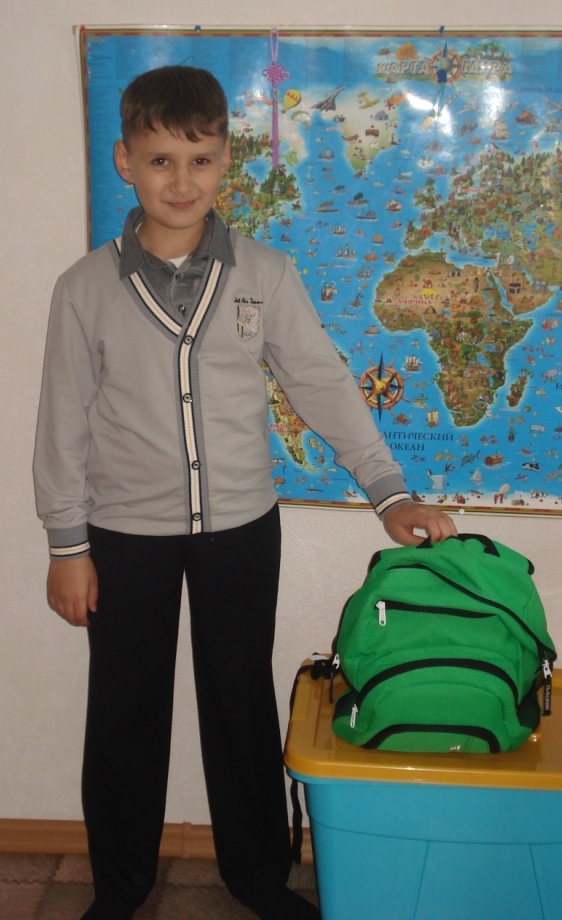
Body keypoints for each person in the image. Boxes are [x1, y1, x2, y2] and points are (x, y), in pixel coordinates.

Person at [33, 65, 457, 920]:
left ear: (227, 161)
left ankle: (258, 876)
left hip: (240, 532)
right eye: (160, 160)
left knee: (239, 701)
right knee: (124, 712)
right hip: (123, 538)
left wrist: (390, 493)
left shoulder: (264, 272)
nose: (180, 181)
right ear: (125, 161)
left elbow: (322, 384)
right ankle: (120, 886)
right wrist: (67, 545)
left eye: (199, 160)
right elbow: (62, 423)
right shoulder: (84, 289)